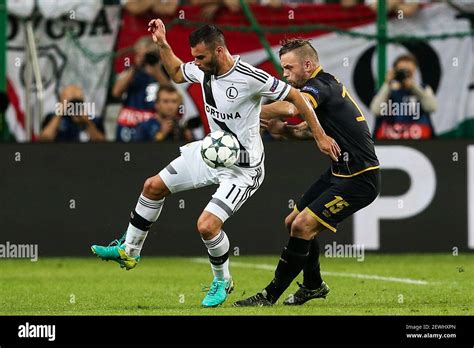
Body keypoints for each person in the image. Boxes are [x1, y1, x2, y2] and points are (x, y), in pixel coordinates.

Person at [91, 23, 340, 308]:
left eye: (200, 57)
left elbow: (295, 97)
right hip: (212, 153)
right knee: (152, 186)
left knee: (207, 226)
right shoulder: (203, 70)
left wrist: (319, 136)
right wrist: (162, 43)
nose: (195, 63)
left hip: (243, 169)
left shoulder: (251, 77)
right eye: (194, 57)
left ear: (219, 51)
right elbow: (174, 71)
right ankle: (129, 249)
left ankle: (222, 280)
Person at [233, 38, 380, 307]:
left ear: (308, 65)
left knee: (302, 226)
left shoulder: (319, 85)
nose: (285, 75)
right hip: (340, 173)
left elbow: (293, 106)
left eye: (289, 68)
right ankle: (313, 285)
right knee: (293, 222)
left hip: (360, 178)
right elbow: (305, 128)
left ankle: (269, 296)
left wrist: (244, 112)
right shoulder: (325, 86)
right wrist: (284, 131)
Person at [114, 37, 170, 142]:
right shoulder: (130, 71)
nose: (145, 58)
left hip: (153, 124)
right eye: (141, 54)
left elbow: (170, 92)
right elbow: (116, 92)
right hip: (129, 123)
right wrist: (136, 67)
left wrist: (156, 70)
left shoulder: (162, 72)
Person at [370, 54, 437, 140]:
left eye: (409, 71)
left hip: (419, 139)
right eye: (402, 71)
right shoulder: (387, 90)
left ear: (414, 70)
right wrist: (387, 84)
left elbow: (432, 107)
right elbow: (376, 110)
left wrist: (415, 88)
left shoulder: (423, 89)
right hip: (388, 139)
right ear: (395, 70)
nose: (405, 75)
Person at [39, 85, 105, 142]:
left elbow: (103, 144)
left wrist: (87, 122)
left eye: (77, 101)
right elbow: (44, 140)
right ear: (61, 101)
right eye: (71, 102)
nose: (73, 105)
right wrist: (59, 114)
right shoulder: (51, 117)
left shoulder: (93, 119)